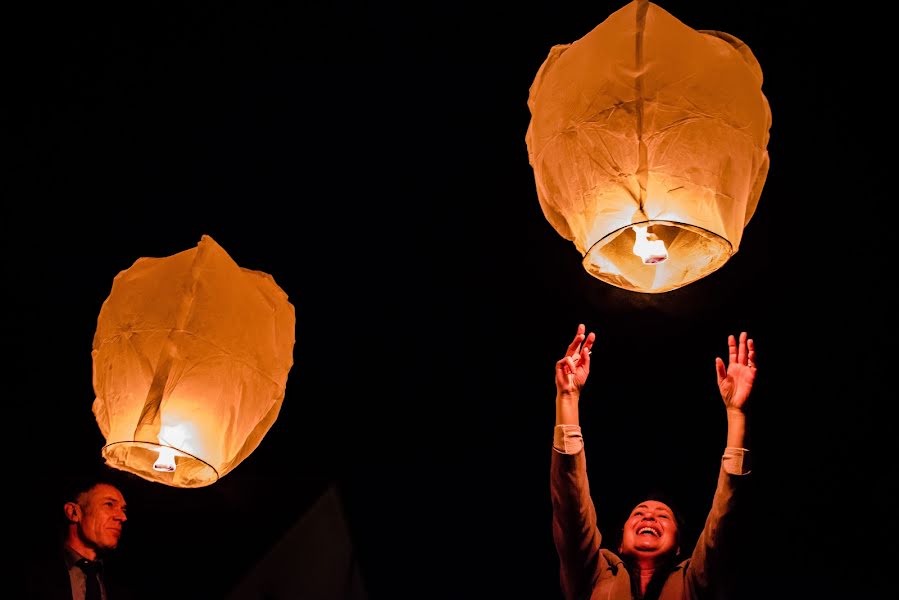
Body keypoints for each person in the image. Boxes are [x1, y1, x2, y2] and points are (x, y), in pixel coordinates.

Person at [551, 324, 755, 600]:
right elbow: (571, 506)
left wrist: (737, 414)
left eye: (662, 516)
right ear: (620, 544)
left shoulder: (694, 583)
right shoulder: (593, 576)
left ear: (679, 547)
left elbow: (725, 519)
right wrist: (568, 397)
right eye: (639, 513)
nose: (649, 516)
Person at [23, 470, 135, 599]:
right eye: (109, 504)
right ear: (73, 513)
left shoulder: (126, 579)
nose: (123, 517)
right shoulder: (32, 573)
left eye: (123, 509)